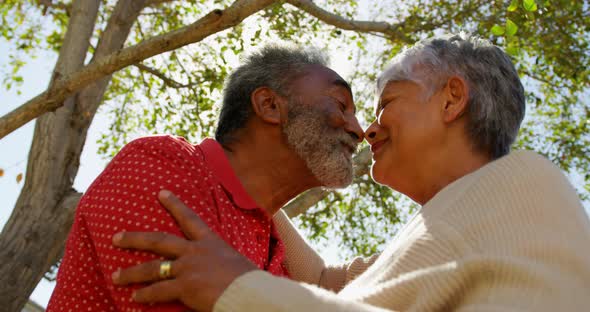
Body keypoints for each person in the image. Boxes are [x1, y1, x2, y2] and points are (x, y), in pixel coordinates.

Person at [111, 33, 590, 311]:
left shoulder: (525, 184)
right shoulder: (452, 225)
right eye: (349, 107)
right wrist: (254, 182)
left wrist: (238, 288)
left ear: (452, 98)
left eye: (386, 104)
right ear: (268, 105)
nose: (367, 130)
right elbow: (324, 281)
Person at [47, 45, 364, 311]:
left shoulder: (278, 255)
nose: (359, 130)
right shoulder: (167, 165)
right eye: (341, 105)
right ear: (269, 105)